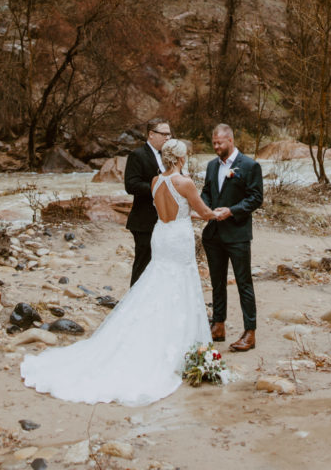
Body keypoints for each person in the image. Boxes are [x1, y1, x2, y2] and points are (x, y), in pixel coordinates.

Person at [21, 139, 218, 405]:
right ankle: (179, 344)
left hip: (161, 234)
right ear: (181, 159)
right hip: (178, 238)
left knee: (157, 281)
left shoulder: (156, 182)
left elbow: (171, 211)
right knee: (181, 283)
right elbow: (203, 212)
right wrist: (223, 213)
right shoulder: (185, 183)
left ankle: (155, 334)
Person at [201, 123, 263, 352]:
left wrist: (232, 210)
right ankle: (218, 325)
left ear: (230, 140)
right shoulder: (210, 165)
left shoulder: (249, 165)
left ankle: (250, 332)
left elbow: (256, 198)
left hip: (237, 234)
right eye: (214, 143)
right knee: (217, 282)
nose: (216, 146)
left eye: (220, 143)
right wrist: (206, 208)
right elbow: (207, 191)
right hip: (214, 233)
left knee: (243, 282)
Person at [124, 118, 172, 285]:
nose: (168, 138)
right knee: (143, 265)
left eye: (169, 134)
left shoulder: (168, 156)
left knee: (160, 265)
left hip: (165, 220)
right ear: (151, 134)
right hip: (144, 220)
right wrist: (158, 187)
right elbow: (131, 185)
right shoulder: (137, 155)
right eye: (164, 134)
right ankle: (133, 305)